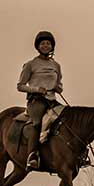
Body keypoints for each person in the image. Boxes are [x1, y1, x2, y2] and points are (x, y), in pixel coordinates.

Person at [16, 30, 63, 170]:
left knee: (66, 119)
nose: (45, 45)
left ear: (52, 46)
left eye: (48, 43)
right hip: (36, 101)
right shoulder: (30, 64)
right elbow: (20, 86)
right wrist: (37, 89)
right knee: (37, 123)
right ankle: (32, 156)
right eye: (42, 43)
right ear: (38, 46)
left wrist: (58, 88)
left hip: (52, 100)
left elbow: (59, 84)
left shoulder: (56, 66)